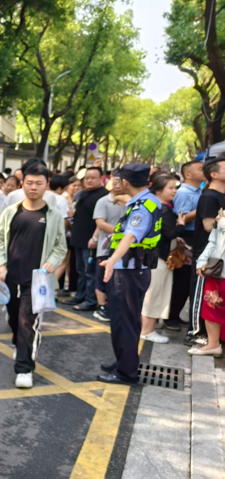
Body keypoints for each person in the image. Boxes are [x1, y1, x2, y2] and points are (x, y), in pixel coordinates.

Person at [0, 165, 67, 388]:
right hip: (10, 276)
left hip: (37, 280)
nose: (33, 187)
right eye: (29, 182)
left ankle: (24, 368)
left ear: (47, 184)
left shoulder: (52, 215)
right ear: (22, 183)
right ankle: (19, 343)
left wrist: (51, 263)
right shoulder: (11, 212)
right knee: (14, 318)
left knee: (27, 322)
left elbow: (60, 247)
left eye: (39, 183)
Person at [98, 164, 162, 384]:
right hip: (136, 269)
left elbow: (131, 236)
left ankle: (126, 372)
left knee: (123, 321)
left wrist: (112, 260)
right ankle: (124, 362)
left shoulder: (141, 207)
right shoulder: (148, 201)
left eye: (118, 180)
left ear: (125, 182)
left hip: (128, 271)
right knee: (129, 320)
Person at [186, 157, 225, 347]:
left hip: (220, 253)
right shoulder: (209, 196)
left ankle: (212, 337)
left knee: (214, 297)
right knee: (201, 293)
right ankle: (195, 332)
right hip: (207, 255)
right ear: (214, 174)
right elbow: (209, 226)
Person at [140, 174, 182, 344]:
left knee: (151, 295)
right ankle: (147, 330)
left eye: (175, 187)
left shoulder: (152, 206)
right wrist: (181, 223)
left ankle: (146, 328)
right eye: (171, 188)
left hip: (151, 258)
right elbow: (170, 233)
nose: (175, 191)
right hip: (159, 259)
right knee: (154, 296)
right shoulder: (164, 210)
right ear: (158, 190)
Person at [63, 167, 108, 311]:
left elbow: (102, 220)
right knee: (80, 270)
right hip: (78, 238)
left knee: (90, 272)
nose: (89, 181)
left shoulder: (103, 196)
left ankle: (90, 300)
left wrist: (94, 239)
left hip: (91, 240)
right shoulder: (82, 194)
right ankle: (79, 295)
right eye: (86, 178)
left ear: (101, 179)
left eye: (93, 178)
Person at [168, 161, 204, 331]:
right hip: (185, 237)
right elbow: (181, 218)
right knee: (181, 280)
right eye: (200, 169)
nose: (204, 170)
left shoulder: (199, 191)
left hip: (194, 236)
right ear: (188, 174)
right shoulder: (183, 193)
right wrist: (204, 208)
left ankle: (175, 315)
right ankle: (171, 317)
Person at [92, 173, 126, 322]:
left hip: (125, 249)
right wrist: (125, 234)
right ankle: (101, 306)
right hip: (106, 247)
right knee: (102, 276)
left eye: (121, 182)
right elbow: (101, 224)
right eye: (115, 182)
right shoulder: (103, 201)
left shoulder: (133, 202)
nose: (118, 186)